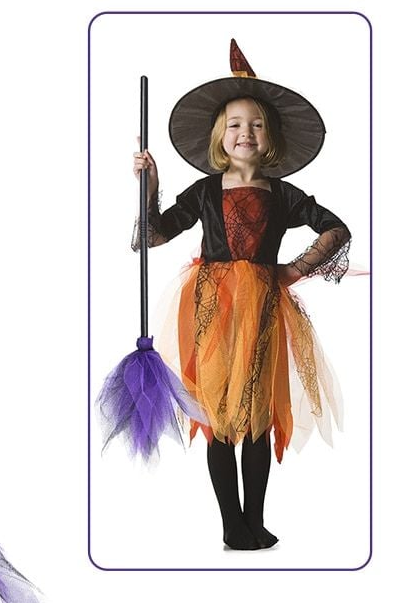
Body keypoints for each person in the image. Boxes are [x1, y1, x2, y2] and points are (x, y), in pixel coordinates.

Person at [132, 40, 351, 551]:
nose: (244, 132)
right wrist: (150, 185)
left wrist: (292, 270)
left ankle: (255, 518)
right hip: (212, 311)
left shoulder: (283, 194)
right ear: (219, 134)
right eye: (234, 124)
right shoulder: (206, 191)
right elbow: (154, 235)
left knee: (257, 417)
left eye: (255, 124)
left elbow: (335, 229)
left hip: (265, 310)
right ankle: (232, 522)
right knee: (220, 415)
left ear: (269, 136)